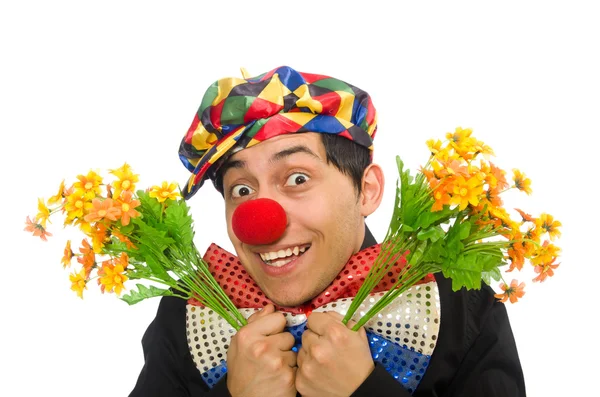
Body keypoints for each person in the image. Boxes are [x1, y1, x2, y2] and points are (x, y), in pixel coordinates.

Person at [129, 66, 526, 396]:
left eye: (297, 178)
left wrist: (367, 392)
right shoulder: (185, 317)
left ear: (366, 191)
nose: (260, 222)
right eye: (242, 190)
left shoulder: (461, 306)